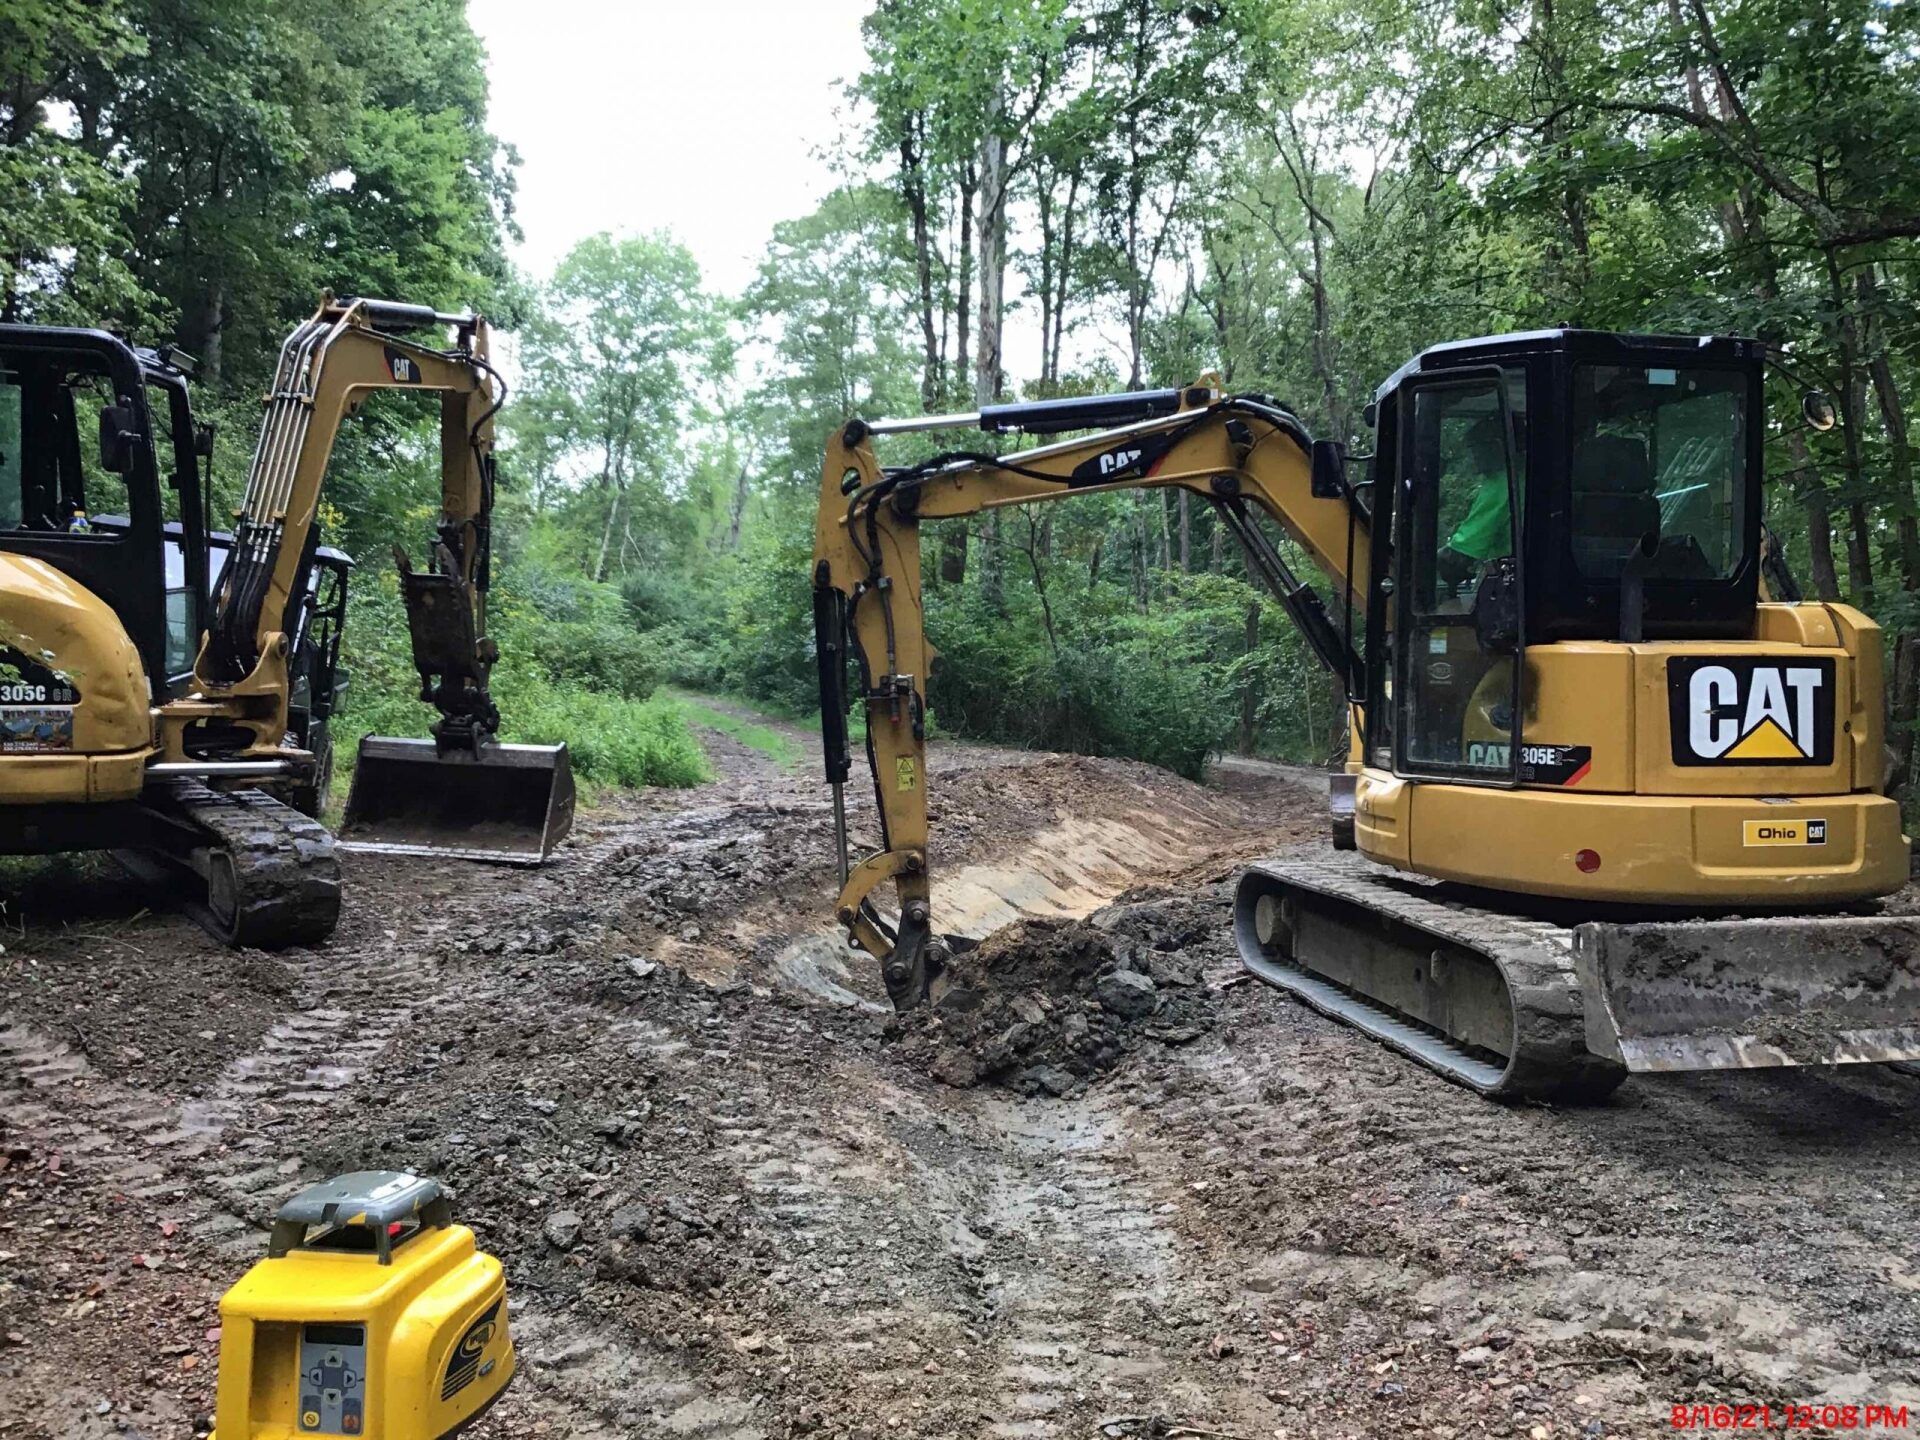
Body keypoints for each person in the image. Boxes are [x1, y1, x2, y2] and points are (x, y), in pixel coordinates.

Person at [1437, 417, 1513, 589]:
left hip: (1513, 580)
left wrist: (1423, 562)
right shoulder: (1526, 474)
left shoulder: (1502, 483)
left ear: (1496, 446)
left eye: (1476, 449)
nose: (1473, 458)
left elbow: (1460, 555)